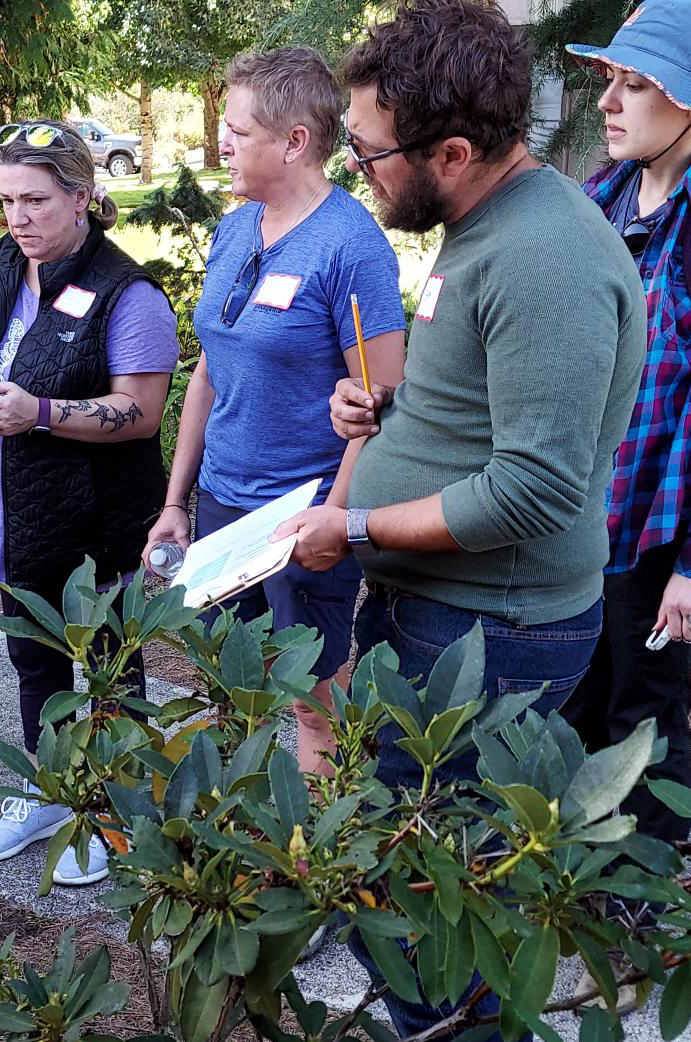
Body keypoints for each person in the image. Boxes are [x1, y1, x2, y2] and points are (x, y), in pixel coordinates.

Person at [273, 1, 646, 1036]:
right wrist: (387, 412)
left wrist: (351, 527)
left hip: (493, 626)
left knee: (424, 900)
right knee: (412, 875)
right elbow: (491, 411)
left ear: (452, 148)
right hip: (447, 611)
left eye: (370, 151)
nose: (359, 170)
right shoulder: (484, 223)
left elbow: (533, 488)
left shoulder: (544, 260)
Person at [144, 45, 406, 773]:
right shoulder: (237, 227)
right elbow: (209, 373)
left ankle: (321, 862)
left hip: (302, 516)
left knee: (310, 702)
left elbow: (385, 407)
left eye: (239, 131)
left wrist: (338, 518)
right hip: (226, 506)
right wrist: (177, 501)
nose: (220, 143)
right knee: (235, 686)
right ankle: (248, 841)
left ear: (295, 142)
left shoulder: (352, 248)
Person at [0, 120, 178, 886]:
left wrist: (37, 412)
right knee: (34, 661)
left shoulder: (126, 293)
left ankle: (113, 814)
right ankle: (50, 792)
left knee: (111, 670)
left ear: (83, 197)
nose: (18, 218)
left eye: (36, 200)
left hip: (100, 521)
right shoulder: (1, 265)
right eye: (8, 200)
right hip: (15, 507)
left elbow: (139, 412)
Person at [556, 1, 691, 1013]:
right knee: (580, 696)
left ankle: (637, 912)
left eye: (632, 82)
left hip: (662, 522)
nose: (607, 99)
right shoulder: (603, 197)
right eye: (607, 77)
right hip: (581, 509)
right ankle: (578, 881)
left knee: (649, 715)